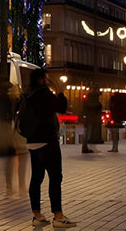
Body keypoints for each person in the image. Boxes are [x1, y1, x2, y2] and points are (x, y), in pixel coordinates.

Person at [24, 69, 77, 228]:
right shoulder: (44, 94)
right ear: (41, 80)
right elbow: (61, 107)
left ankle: (37, 215)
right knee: (55, 178)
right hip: (47, 143)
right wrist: (60, 91)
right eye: (45, 78)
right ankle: (58, 217)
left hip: (32, 142)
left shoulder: (28, 95)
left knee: (36, 179)